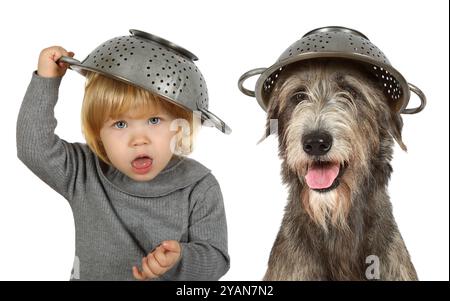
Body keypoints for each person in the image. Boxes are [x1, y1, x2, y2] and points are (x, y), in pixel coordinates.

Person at [17, 35, 230, 280]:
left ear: (180, 126)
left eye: (154, 120)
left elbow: (216, 259)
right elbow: (32, 147)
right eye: (120, 124)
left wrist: (179, 257)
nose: (139, 139)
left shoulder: (199, 186)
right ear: (99, 133)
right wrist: (46, 81)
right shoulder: (84, 172)